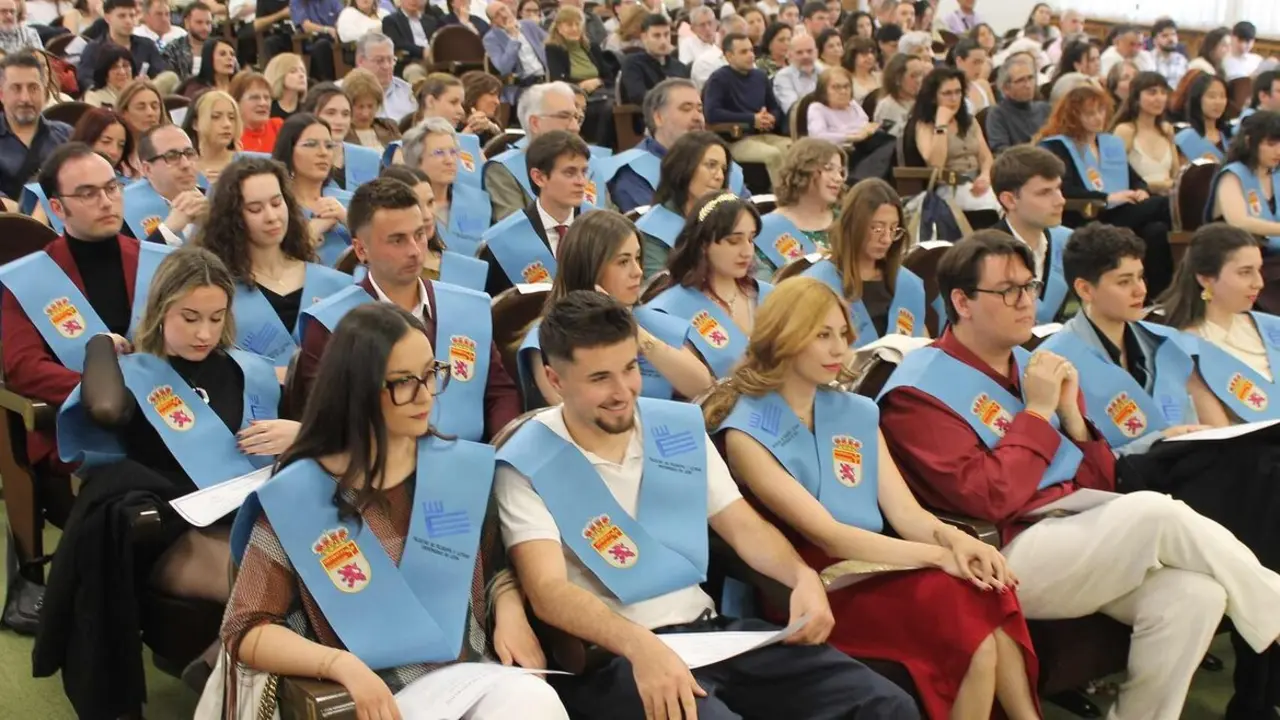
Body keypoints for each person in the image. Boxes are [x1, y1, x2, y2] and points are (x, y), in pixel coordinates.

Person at [878, 230, 1280, 720]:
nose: (1026, 302)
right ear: (962, 302)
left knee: (1196, 595)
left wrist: (1071, 418)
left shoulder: (1033, 364)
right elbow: (987, 499)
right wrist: (1037, 411)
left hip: (1076, 525)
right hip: (999, 551)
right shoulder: (919, 391)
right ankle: (1275, 610)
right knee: (1154, 512)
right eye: (1007, 290)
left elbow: (1100, 480)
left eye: (1029, 287)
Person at [496, 289, 919, 719]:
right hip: (617, 657)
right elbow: (548, 591)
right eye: (599, 378)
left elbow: (744, 527)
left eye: (630, 368)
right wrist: (638, 646)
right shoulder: (527, 461)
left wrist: (801, 576)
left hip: (711, 634)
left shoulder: (676, 427)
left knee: (885, 705)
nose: (623, 391)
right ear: (554, 380)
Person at [704, 276, 1040, 719]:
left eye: (842, 334)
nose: (839, 349)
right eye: (822, 335)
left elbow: (906, 513)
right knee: (966, 609)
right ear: (784, 337)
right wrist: (939, 557)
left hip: (884, 562)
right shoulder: (746, 431)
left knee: (984, 591)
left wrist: (959, 541)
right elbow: (829, 537)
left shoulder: (857, 412)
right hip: (816, 583)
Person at [222, 301, 566, 720]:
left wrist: (510, 609)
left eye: (431, 373)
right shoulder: (298, 497)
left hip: (473, 678)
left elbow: (495, 569)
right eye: (404, 382)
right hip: (372, 699)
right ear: (357, 391)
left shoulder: (457, 469)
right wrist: (340, 665)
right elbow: (246, 628)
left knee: (537, 702)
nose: (425, 395)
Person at [33, 246, 287, 718]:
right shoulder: (134, 372)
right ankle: (224, 674)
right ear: (161, 309)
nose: (204, 333)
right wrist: (99, 344)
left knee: (302, 570)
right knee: (267, 580)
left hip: (248, 521)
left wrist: (296, 432)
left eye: (216, 318)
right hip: (168, 531)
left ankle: (217, 663)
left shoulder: (248, 370)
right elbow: (105, 409)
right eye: (189, 317)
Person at [1049, 222, 1280, 719]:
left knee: (1266, 470)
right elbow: (1070, 455)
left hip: (1183, 467)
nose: (1140, 290)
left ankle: (1258, 688)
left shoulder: (1161, 342)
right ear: (1085, 288)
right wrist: (1156, 439)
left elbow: (1195, 418)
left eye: (1140, 277)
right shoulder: (1056, 360)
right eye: (1124, 281)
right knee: (1263, 482)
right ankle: (1259, 681)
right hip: (1120, 482)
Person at [298, 177, 519, 439]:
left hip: (466, 456)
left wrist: (498, 451)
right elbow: (326, 420)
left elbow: (499, 393)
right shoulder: (330, 325)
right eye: (397, 240)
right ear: (361, 249)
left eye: (419, 235)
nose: (415, 250)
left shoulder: (467, 308)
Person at [0, 144, 141, 471]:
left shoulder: (153, 261)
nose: (106, 202)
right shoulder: (31, 278)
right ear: (57, 208)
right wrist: (103, 389)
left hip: (163, 413)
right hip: (81, 427)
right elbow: (24, 367)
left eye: (112, 187)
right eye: (88, 194)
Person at [517, 211, 711, 407]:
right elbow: (571, 409)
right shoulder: (547, 336)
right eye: (623, 262)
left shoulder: (648, 320)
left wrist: (635, 332)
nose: (638, 272)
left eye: (638, 258)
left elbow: (703, 387)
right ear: (589, 267)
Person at [195, 155, 349, 371]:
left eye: (277, 203)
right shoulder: (216, 288)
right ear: (232, 217)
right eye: (255, 209)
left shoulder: (334, 283)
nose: (271, 217)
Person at [1037, 83, 1174, 297]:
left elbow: (1136, 179)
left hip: (1123, 211)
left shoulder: (1109, 144)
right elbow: (1065, 188)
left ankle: (1156, 298)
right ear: (1073, 116)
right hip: (1090, 215)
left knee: (1156, 230)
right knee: (1163, 204)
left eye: (1101, 111)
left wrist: (1141, 190)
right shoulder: (1057, 147)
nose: (1098, 118)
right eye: (1090, 113)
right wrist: (1107, 197)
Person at [1158, 224, 1280, 423]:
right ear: (1206, 279)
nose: (1259, 283)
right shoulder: (1186, 348)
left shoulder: (1271, 327)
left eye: (1258, 270)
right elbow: (1219, 432)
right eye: (1245, 272)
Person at [644, 193, 771, 378]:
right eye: (734, 241)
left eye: (751, 239)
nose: (747, 251)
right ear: (703, 244)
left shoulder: (769, 295)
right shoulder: (671, 309)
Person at [799, 178, 927, 345]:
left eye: (893, 229)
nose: (887, 239)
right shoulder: (818, 282)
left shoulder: (907, 284)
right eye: (877, 228)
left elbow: (921, 343)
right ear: (854, 225)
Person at [480, 130, 595, 296]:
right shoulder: (503, 241)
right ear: (539, 178)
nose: (581, 182)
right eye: (570, 173)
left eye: (584, 172)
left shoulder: (601, 229)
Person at [483, 82, 610, 223]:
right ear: (535, 123)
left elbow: (613, 223)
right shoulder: (504, 169)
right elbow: (516, 232)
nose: (575, 127)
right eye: (564, 117)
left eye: (576, 118)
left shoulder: (591, 163)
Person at [989, 146, 1073, 324]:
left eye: (1058, 188)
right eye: (1044, 193)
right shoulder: (984, 256)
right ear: (1010, 200)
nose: (1060, 200)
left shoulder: (1070, 242)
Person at [634, 130, 732, 277]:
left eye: (723, 169)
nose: (720, 176)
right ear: (684, 169)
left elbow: (758, 269)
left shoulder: (727, 219)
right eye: (711, 165)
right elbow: (658, 285)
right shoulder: (652, 230)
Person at [705, 32, 792, 189]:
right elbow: (712, 113)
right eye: (744, 52)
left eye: (751, 50)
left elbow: (775, 108)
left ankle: (799, 194)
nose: (751, 55)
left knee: (793, 147)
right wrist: (752, 119)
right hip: (735, 139)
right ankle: (782, 197)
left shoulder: (760, 76)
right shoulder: (718, 79)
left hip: (764, 134)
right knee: (773, 155)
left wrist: (770, 118)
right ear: (729, 56)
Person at [908, 67, 999, 213]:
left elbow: (985, 157)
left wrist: (985, 176)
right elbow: (936, 165)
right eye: (947, 93)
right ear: (933, 97)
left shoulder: (969, 121)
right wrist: (941, 125)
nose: (954, 98)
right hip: (949, 187)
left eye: (958, 92)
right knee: (989, 207)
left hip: (978, 183)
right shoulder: (924, 125)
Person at [269, 113, 354, 266]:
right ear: (289, 150)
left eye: (329, 146)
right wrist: (313, 230)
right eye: (311, 144)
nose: (323, 152)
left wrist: (347, 219)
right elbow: (270, 264)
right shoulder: (274, 206)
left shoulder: (352, 201)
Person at [754, 138, 844, 279]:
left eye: (840, 171)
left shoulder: (846, 221)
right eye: (828, 169)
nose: (839, 178)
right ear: (803, 170)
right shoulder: (764, 229)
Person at [399, 116, 490, 255]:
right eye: (439, 153)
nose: (449, 160)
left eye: (453, 152)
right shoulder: (402, 208)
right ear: (416, 160)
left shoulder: (479, 201)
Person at [1206, 111, 1280, 255]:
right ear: (1249, 141)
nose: (1278, 151)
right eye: (1271, 144)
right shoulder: (1232, 175)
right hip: (1242, 255)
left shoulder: (1276, 173)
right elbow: (1239, 222)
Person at [0, 51, 70, 201]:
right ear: (2, 94)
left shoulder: (66, 136)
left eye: (33, 88)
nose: (25, 98)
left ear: (44, 92)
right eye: (16, 88)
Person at [123, 124, 207, 245]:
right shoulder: (125, 210)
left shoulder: (216, 199)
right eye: (172, 156)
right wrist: (168, 231)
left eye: (189, 153)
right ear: (148, 169)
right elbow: (132, 257)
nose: (186, 164)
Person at [544, 5, 616, 147]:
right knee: (608, 108)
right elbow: (558, 80)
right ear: (559, 28)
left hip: (602, 91)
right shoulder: (553, 48)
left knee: (616, 105)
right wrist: (580, 87)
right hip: (576, 97)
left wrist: (597, 81)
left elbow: (609, 76)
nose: (575, 28)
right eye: (569, 25)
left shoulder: (592, 46)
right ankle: (601, 147)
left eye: (578, 24)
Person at [77, 0, 174, 97]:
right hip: (109, 97)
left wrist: (148, 83)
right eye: (122, 16)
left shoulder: (147, 45)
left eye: (132, 16)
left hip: (144, 95)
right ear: (107, 18)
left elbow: (161, 72)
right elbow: (85, 79)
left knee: (170, 77)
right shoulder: (94, 48)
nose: (128, 21)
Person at [300, 82, 382, 191]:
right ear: (311, 115)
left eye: (345, 114)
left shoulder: (370, 159)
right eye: (330, 113)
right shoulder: (298, 160)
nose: (340, 121)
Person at [1110, 72, 1178, 196]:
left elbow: (1176, 175)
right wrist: (1156, 186)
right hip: (1138, 199)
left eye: (1163, 92)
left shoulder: (1167, 129)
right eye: (1152, 93)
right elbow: (1114, 178)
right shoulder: (1125, 131)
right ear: (1136, 97)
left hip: (1167, 199)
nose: (1159, 98)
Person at [482, 0, 549, 104]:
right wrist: (514, 38)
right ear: (493, 22)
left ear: (509, 9)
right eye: (497, 15)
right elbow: (504, 68)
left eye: (503, 9)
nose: (503, 15)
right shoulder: (490, 39)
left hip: (546, 79)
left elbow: (552, 43)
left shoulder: (529, 25)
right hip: (522, 86)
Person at [619, 14, 689, 107]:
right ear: (644, 37)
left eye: (666, 35)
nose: (663, 41)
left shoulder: (679, 67)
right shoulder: (633, 63)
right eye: (657, 36)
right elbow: (638, 95)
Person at [985, 55, 1050, 154]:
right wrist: (1032, 146)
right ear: (1006, 88)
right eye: (1020, 81)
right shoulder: (998, 114)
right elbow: (1001, 151)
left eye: (1030, 78)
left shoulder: (1045, 109)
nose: (1028, 85)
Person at [353, 32, 416, 123]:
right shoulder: (342, 93)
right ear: (360, 61)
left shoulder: (408, 92)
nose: (387, 66)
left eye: (390, 60)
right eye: (379, 61)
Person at [182, 89, 239, 187]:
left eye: (231, 118)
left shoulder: (253, 164)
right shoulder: (183, 169)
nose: (227, 124)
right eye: (216, 117)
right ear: (195, 123)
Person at [807, 66, 877, 145]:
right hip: (838, 150)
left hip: (865, 145)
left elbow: (866, 123)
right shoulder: (817, 108)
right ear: (823, 91)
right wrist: (850, 137)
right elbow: (817, 137)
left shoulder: (852, 103)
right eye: (836, 87)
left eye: (846, 86)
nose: (843, 91)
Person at [1176, 73, 1232, 163]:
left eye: (1222, 96)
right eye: (1212, 96)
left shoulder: (1229, 136)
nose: (1218, 102)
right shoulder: (1185, 139)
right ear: (1198, 99)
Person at [342, 67, 399, 150]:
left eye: (370, 106)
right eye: (360, 107)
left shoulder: (389, 127)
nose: (365, 113)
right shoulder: (341, 134)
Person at [873, 53, 927, 138]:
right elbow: (888, 138)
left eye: (922, 75)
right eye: (913, 76)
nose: (919, 80)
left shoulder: (926, 101)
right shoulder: (887, 106)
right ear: (897, 79)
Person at [231, 70, 283, 153]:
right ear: (236, 103)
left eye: (267, 97)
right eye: (255, 97)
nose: (263, 103)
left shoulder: (278, 127)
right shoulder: (229, 135)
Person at [772, 32, 821, 116]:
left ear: (816, 53)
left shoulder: (824, 72)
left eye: (809, 51)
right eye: (799, 52)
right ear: (790, 56)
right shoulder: (783, 77)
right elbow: (794, 110)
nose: (805, 56)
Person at [161, 2, 213, 81]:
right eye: (199, 22)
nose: (205, 28)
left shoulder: (219, 49)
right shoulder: (172, 50)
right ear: (187, 23)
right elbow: (169, 81)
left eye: (208, 23)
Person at [381, 0, 436, 71]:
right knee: (414, 70)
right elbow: (398, 43)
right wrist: (422, 51)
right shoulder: (391, 20)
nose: (413, 1)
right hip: (409, 61)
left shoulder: (430, 20)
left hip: (433, 60)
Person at [81, 44, 133, 109]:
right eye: (115, 67)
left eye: (125, 65)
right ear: (104, 71)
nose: (122, 72)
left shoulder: (139, 93)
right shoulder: (94, 96)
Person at [950, 38, 992, 114]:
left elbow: (995, 115)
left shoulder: (984, 85)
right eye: (976, 62)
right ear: (959, 61)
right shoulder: (950, 91)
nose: (980, 67)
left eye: (982, 62)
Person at [264, 52, 307, 119]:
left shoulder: (308, 109)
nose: (301, 75)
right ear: (278, 75)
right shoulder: (266, 109)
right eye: (293, 71)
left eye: (303, 71)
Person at [1149, 18, 1188, 89]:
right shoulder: (1149, 59)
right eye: (1165, 35)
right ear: (1155, 41)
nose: (1171, 39)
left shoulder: (1182, 60)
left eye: (1173, 34)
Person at [842, 36, 880, 104]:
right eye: (864, 53)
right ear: (852, 56)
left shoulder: (881, 77)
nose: (870, 57)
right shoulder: (846, 81)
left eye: (872, 52)